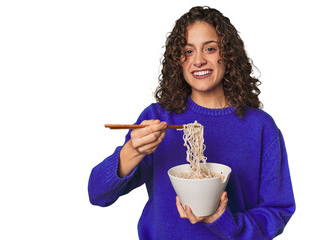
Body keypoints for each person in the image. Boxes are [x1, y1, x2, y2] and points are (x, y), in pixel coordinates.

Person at [88, 6, 295, 239]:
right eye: (187, 51)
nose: (198, 60)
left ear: (227, 55)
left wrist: (224, 222)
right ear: (178, 61)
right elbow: (98, 194)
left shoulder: (260, 127)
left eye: (210, 48)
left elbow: (277, 211)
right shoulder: (159, 119)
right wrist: (131, 151)